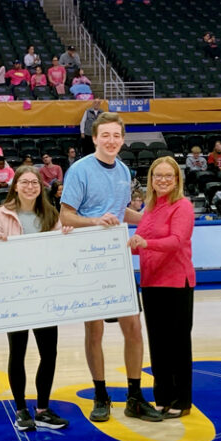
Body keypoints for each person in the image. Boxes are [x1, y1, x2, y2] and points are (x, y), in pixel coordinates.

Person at [60, 112, 162, 422]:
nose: (111, 140)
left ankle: (134, 395)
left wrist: (152, 218)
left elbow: (121, 213)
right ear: (94, 138)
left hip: (117, 260)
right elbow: (66, 216)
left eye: (116, 135)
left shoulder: (123, 170)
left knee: (133, 328)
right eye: (105, 135)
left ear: (122, 138)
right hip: (90, 260)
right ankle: (100, 394)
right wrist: (94, 220)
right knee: (95, 330)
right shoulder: (79, 170)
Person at [0, 166, 71, 431]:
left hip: (45, 294)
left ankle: (43, 409)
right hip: (15, 296)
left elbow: (59, 252)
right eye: (24, 182)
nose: (30, 186)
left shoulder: (50, 213)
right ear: (15, 186)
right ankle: (21, 409)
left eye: (35, 182)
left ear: (40, 186)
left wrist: (66, 239)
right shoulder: (1, 215)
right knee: (18, 351)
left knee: (49, 353)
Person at [127, 157, 195, 417]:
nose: (163, 180)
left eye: (169, 175)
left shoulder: (183, 206)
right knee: (157, 344)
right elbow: (145, 244)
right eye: (158, 175)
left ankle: (181, 400)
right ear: (151, 180)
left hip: (177, 282)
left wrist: (144, 244)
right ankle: (162, 396)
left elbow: (176, 241)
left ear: (177, 179)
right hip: (151, 282)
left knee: (178, 344)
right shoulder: (150, 208)